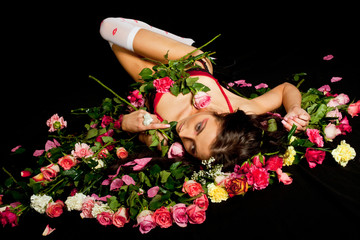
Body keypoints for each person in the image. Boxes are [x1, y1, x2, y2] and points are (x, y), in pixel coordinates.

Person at [99, 17, 310, 168]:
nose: (184, 133)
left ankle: (155, 41)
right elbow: (285, 88)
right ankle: (176, 44)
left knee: (110, 35)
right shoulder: (243, 108)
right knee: (110, 26)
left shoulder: (164, 137)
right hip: (188, 61)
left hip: (152, 79)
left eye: (191, 147)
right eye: (199, 127)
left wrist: (127, 123)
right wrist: (294, 108)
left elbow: (129, 127)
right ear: (224, 115)